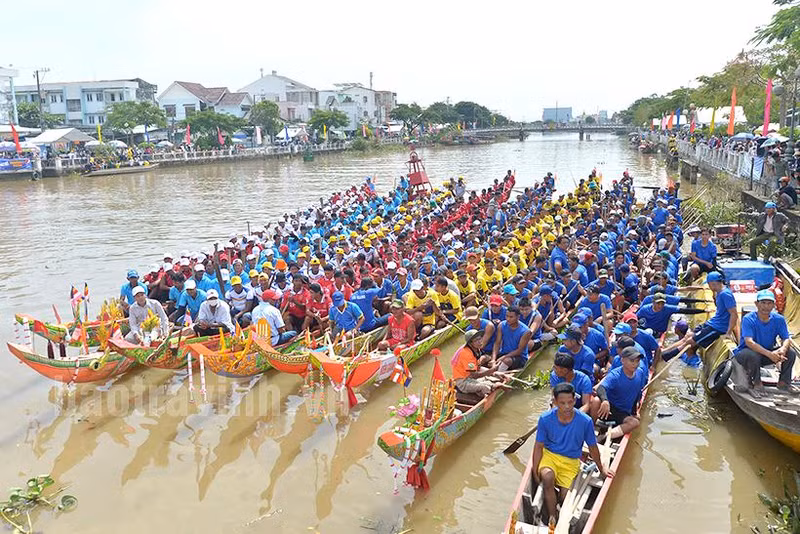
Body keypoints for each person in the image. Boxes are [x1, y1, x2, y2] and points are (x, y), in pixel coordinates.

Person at [533, 383, 611, 524]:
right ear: (555, 402)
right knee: (547, 477)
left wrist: (602, 468)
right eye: (562, 403)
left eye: (570, 402)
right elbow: (538, 447)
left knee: (565, 498)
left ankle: (557, 502)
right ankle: (552, 516)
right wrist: (534, 471)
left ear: (575, 400)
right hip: (550, 456)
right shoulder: (545, 419)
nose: (567, 406)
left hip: (571, 461)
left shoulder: (585, 421)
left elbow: (593, 448)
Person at [734, 289, 799, 397]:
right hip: (747, 354)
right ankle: (757, 382)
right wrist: (770, 354)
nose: (766, 306)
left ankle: (784, 383)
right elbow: (749, 342)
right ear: (756, 304)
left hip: (766, 353)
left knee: (790, 353)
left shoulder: (779, 319)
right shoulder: (749, 319)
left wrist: (782, 350)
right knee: (752, 355)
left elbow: (786, 338)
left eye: (769, 303)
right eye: (763, 303)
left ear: (773, 305)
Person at [596, 346, 648, 441]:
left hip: (623, 412)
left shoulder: (640, 373)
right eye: (632, 361)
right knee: (595, 400)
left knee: (635, 423)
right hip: (610, 409)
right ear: (623, 360)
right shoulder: (615, 375)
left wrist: (634, 412)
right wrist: (605, 401)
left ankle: (606, 436)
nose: (635, 364)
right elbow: (601, 388)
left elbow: (637, 393)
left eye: (637, 361)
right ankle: (593, 428)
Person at [451, 330, 507, 398]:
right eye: (476, 340)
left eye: (480, 338)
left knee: (493, 376)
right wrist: (491, 371)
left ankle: (479, 390)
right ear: (471, 343)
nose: (480, 341)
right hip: (463, 381)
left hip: (469, 376)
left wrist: (494, 372)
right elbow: (474, 375)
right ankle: (486, 389)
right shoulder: (467, 354)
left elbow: (478, 368)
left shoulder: (475, 349)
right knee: (485, 387)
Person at [550, 353, 599, 420]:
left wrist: (572, 419)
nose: (553, 369)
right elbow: (555, 400)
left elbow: (586, 404)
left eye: (555, 368)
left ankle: (591, 426)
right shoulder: (554, 376)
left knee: (595, 402)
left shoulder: (584, 380)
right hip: (562, 406)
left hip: (579, 407)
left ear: (564, 370)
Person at [489, 306, 532, 371]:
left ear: (518, 317)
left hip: (519, 357)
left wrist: (504, 357)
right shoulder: (501, 325)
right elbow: (497, 343)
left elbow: (519, 351)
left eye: (511, 317)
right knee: (487, 358)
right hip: (505, 353)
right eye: (507, 316)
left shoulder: (526, 331)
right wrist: (493, 359)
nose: (508, 319)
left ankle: (496, 373)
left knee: (506, 361)